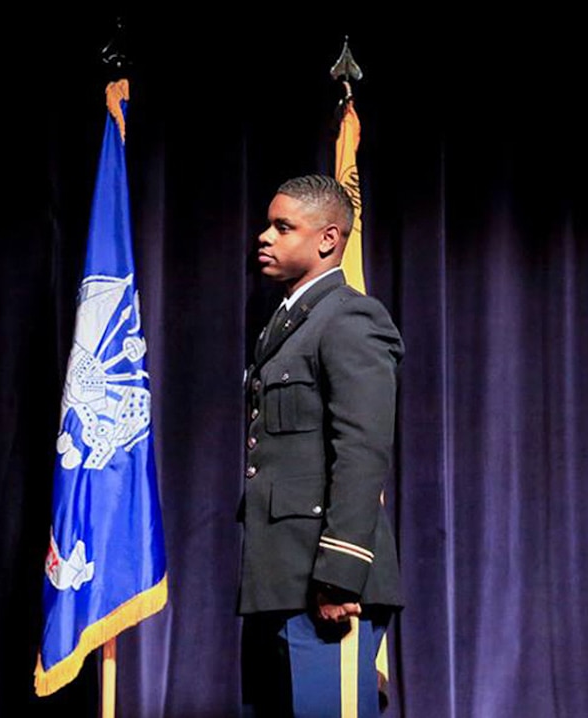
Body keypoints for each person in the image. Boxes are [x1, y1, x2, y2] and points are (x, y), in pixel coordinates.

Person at [238, 175, 403, 717]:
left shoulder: (350, 317)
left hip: (328, 589)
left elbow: (362, 451)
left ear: (328, 239)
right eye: (268, 224)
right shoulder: (285, 326)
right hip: (278, 582)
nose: (265, 236)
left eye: (283, 227)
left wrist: (338, 575)